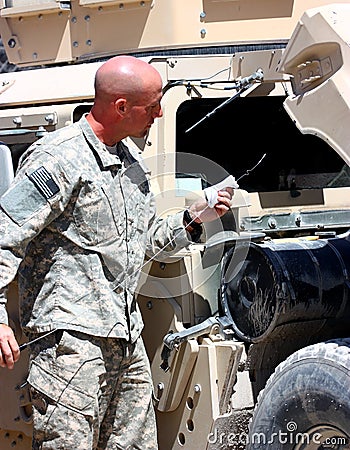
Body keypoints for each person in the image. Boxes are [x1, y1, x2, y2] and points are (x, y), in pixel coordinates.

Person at [0, 55, 233, 449]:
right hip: (71, 345)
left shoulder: (130, 162)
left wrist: (193, 218)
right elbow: (6, 234)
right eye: (153, 105)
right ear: (120, 106)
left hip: (125, 337)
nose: (159, 114)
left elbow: (142, 242)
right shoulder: (58, 159)